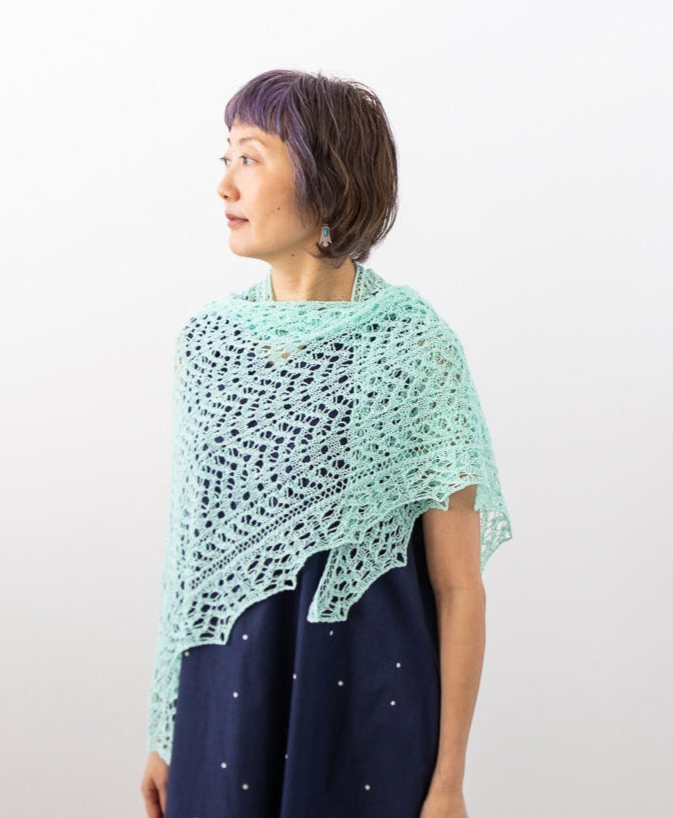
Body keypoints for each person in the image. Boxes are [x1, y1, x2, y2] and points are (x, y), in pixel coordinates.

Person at [140, 69, 512, 818]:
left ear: (326, 178)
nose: (224, 185)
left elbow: (457, 585)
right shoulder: (206, 346)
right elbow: (189, 563)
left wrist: (448, 780)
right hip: (224, 707)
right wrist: (164, 731)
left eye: (250, 158)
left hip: (368, 712)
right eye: (225, 159)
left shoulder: (413, 349)